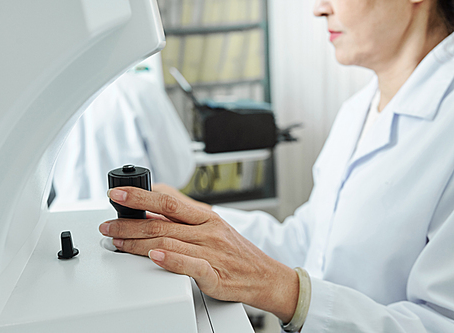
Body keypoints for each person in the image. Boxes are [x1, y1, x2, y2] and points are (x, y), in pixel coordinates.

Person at [99, 0, 454, 331]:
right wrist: (196, 216)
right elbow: (309, 242)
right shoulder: (358, 110)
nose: (319, 9)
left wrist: (286, 293)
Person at [52, 69, 195, 208]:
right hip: (132, 216)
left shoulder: (55, 97)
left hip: (63, 215)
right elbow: (176, 172)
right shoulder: (139, 90)